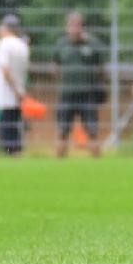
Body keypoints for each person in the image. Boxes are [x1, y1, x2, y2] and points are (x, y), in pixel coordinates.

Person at [51, 11, 107, 157]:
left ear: (83, 26)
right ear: (67, 27)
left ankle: (97, 166)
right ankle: (58, 166)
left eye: (78, 25)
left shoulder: (92, 44)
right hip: (67, 95)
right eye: (72, 25)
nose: (75, 28)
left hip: (87, 94)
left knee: (92, 131)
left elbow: (102, 67)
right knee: (62, 130)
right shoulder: (61, 44)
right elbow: (55, 67)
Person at [0, 14, 30, 159]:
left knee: (7, 131)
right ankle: (16, 156)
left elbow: (4, 70)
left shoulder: (4, 44)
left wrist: (14, 88)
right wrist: (19, 90)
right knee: (14, 129)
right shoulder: (22, 45)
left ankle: (13, 156)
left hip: (6, 95)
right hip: (18, 95)